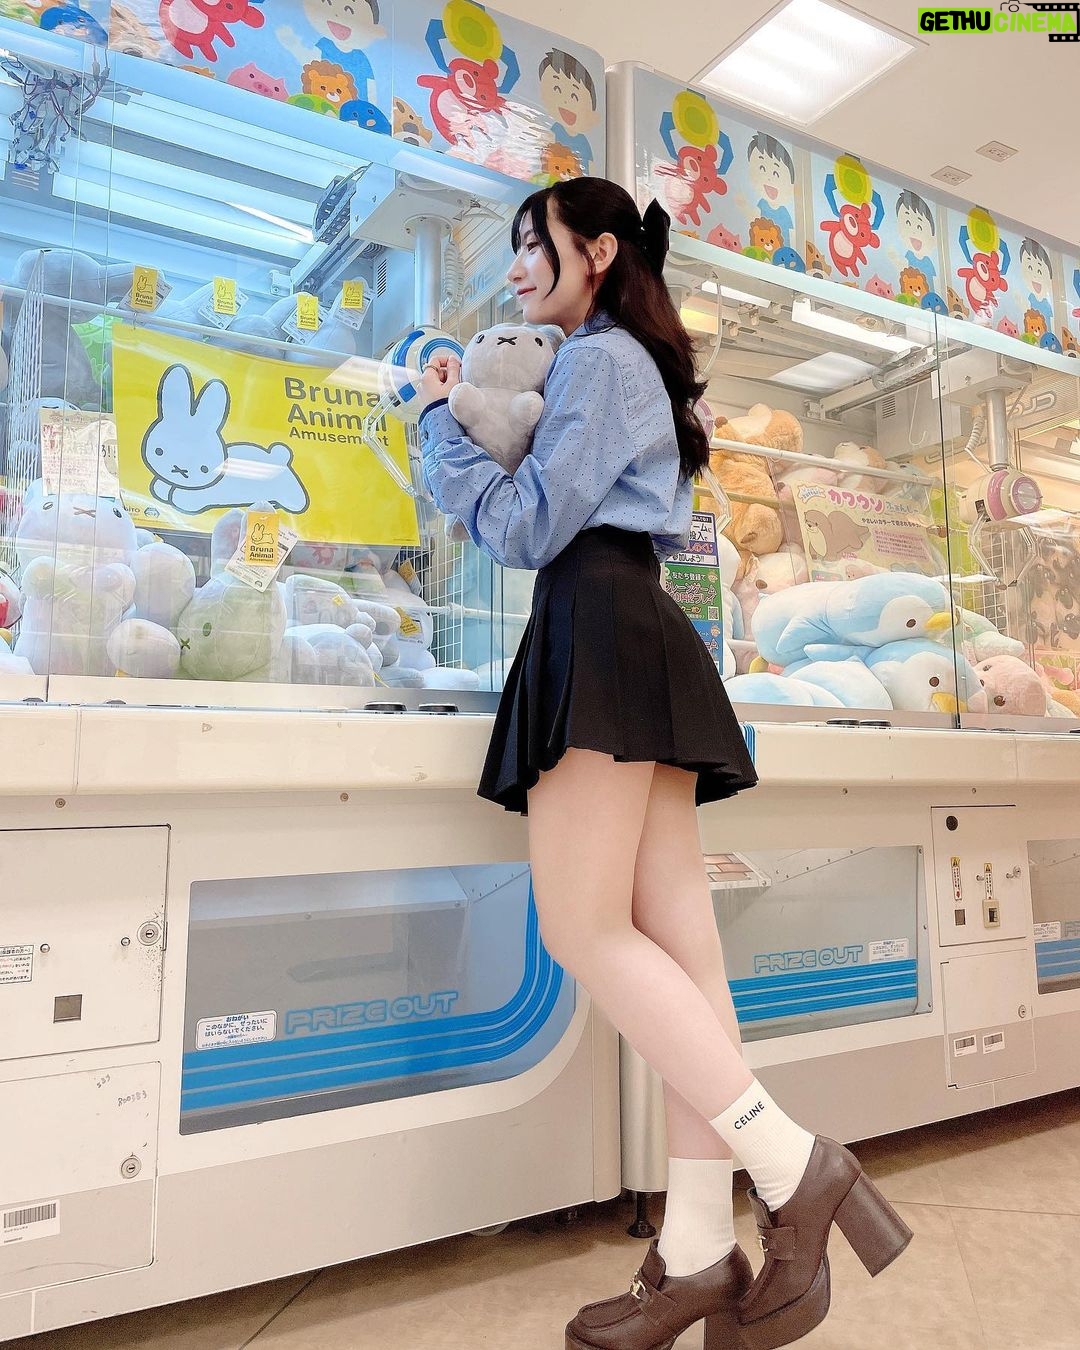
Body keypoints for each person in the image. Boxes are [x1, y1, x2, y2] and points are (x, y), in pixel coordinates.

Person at [418, 177, 912, 1350]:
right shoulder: (626, 364)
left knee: (583, 928)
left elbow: (529, 524)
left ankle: (793, 1162)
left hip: (597, 623)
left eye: (534, 246)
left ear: (596, 252)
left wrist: (439, 425)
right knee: (684, 954)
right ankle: (695, 1247)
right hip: (635, 625)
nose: (517, 269)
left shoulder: (599, 361)